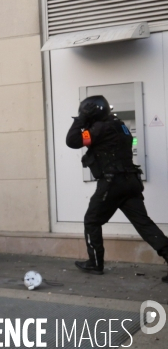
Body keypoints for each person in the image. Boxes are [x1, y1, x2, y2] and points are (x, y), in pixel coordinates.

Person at [66, 95, 168, 280]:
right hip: (131, 182)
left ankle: (95, 263)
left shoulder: (100, 128)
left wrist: (79, 121)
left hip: (113, 183)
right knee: (144, 224)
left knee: (92, 220)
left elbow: (72, 141)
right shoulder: (120, 126)